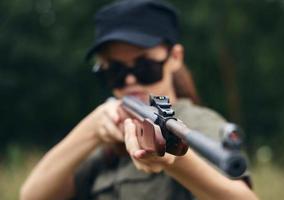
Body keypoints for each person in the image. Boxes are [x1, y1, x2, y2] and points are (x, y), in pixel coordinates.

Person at [20, 0, 258, 200]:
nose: (131, 79)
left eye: (145, 66)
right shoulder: (108, 139)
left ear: (174, 57)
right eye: (116, 71)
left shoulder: (196, 123)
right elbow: (32, 195)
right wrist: (91, 129)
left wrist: (175, 161)